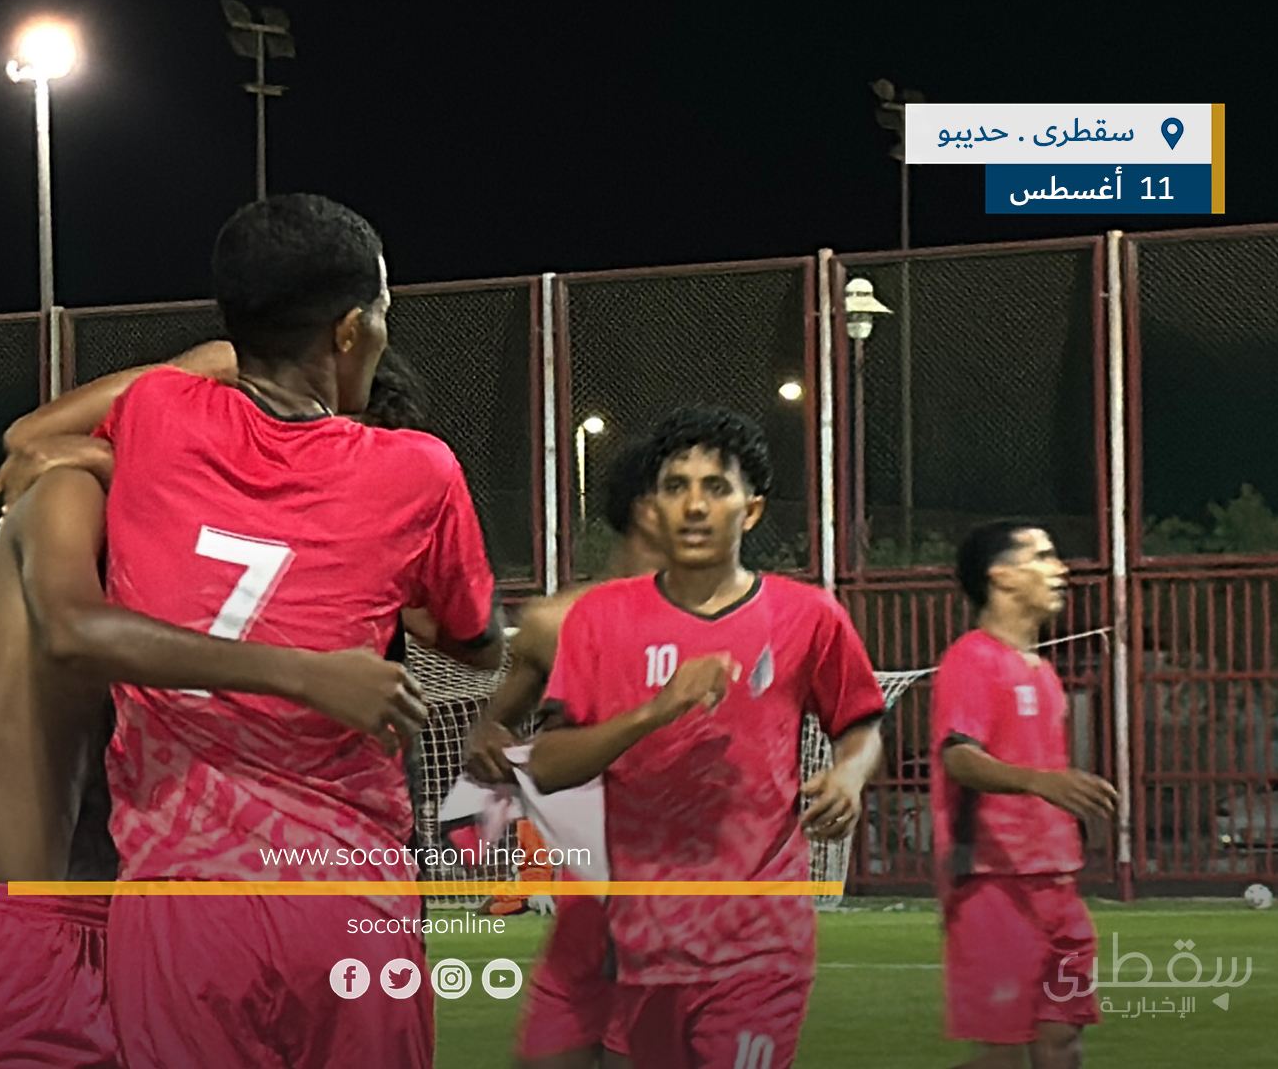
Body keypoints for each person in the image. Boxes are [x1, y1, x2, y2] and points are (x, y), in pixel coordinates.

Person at [0, 349, 434, 1069]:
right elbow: (73, 629)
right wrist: (307, 676)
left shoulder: (204, 559)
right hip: (34, 936)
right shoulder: (71, 495)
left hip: (143, 936)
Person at [95, 194, 503, 1069]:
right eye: (383, 312)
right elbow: (475, 640)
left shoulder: (155, 411)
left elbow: (32, 437)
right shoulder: (416, 469)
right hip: (346, 897)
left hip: (179, 904)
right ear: (351, 331)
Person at [525, 405, 886, 1069]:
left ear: (751, 510)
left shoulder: (808, 617)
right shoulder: (600, 619)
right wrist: (654, 712)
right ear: (653, 508)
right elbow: (546, 765)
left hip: (761, 938)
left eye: (716, 488)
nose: (694, 506)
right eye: (676, 487)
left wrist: (849, 774)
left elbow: (860, 723)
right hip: (641, 943)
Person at [461, 438, 666, 1069]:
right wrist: (494, 747)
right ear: (647, 508)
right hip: (585, 917)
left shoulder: (736, 622)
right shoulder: (556, 623)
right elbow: (487, 734)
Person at [933, 522, 1117, 1069]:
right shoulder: (972, 659)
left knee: (1062, 1041)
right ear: (1003, 576)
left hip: (1058, 884)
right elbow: (958, 756)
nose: (1060, 570)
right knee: (1004, 1056)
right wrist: (1040, 781)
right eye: (1042, 556)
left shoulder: (1043, 673)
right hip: (993, 883)